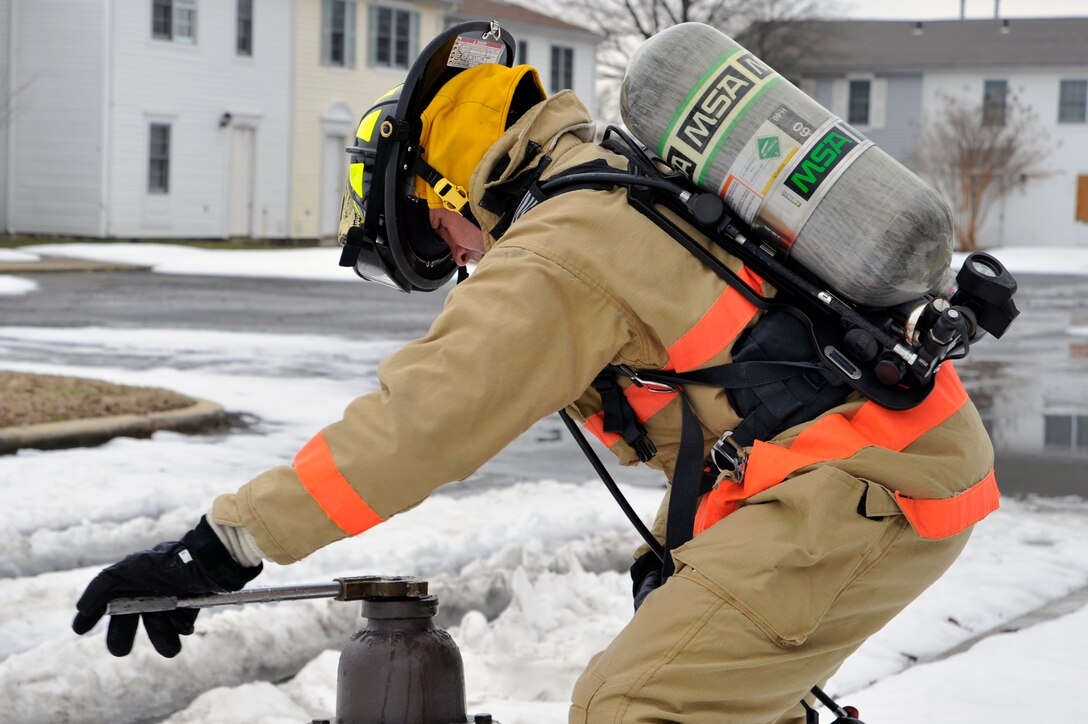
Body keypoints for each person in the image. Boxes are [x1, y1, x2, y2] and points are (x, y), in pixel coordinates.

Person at [73, 23, 998, 723]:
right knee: (714, 692)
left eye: (438, 239)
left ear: (447, 192)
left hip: (872, 483)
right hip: (877, 467)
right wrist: (675, 555)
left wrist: (218, 546)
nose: (460, 262)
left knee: (633, 706)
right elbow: (742, 408)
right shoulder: (611, 186)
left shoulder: (563, 244)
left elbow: (419, 423)